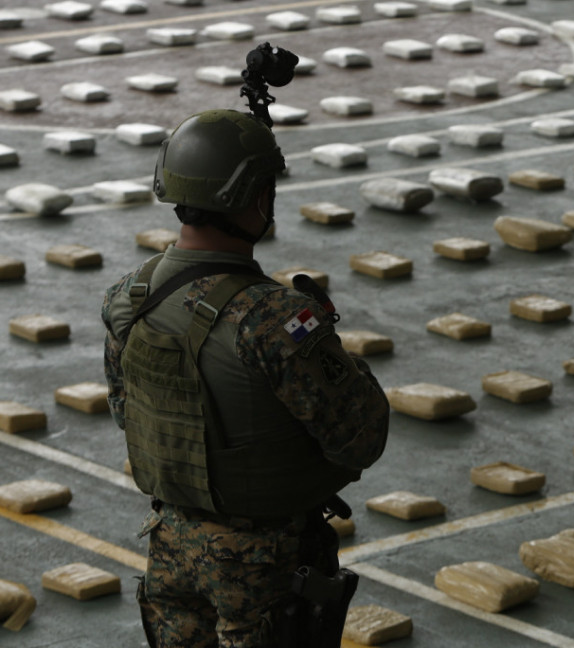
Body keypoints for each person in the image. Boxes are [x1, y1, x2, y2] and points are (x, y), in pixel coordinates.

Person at [100, 105, 390, 647]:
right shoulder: (276, 318)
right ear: (257, 198)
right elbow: (362, 436)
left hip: (170, 545)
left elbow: (127, 412)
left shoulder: (128, 297)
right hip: (263, 562)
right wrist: (328, 342)